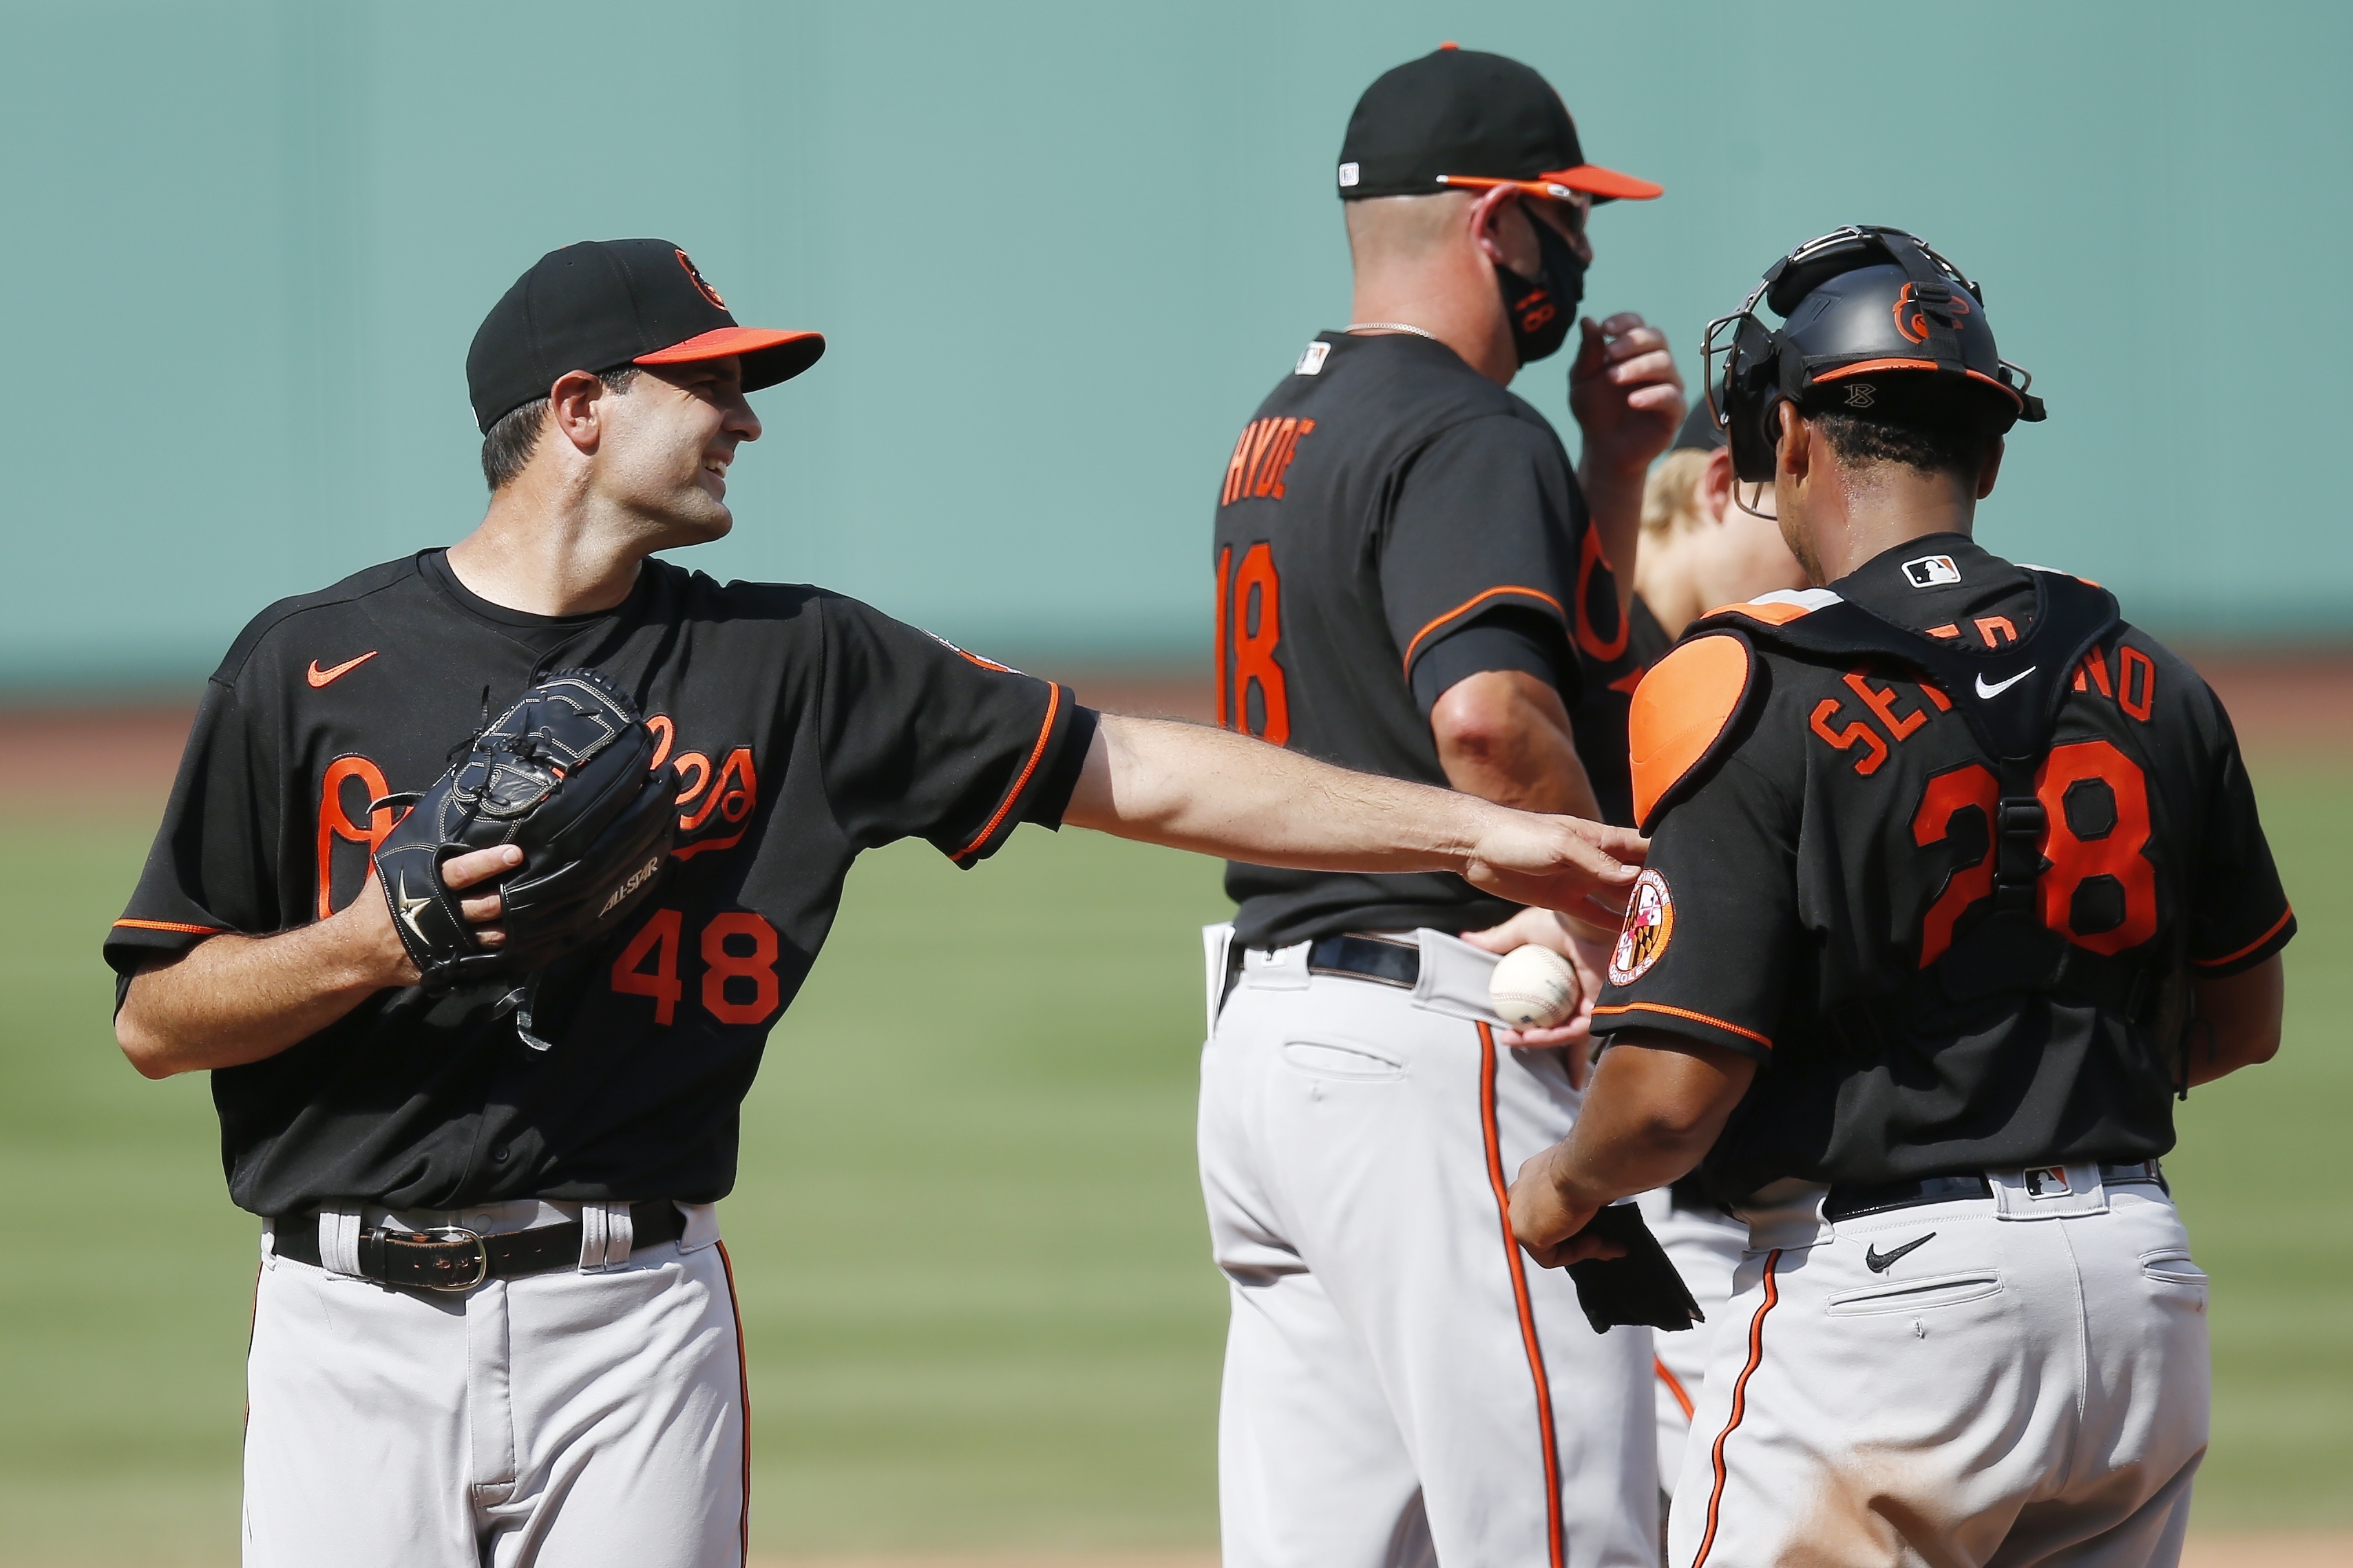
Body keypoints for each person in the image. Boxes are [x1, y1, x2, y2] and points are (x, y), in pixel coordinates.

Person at [103, 237, 1647, 1568]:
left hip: (629, 1319)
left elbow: (1139, 772)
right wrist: (377, 937)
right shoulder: (309, 666)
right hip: (344, 1327)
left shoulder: (795, 664)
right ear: (578, 410)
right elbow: (157, 1018)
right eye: (705, 384)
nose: (745, 420)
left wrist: (1477, 837)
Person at [1508, 225, 2292, 1567]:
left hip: (1885, 1312)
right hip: (2138, 1290)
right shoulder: (2149, 670)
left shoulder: (1739, 678)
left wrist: (1559, 1186)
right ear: (1987, 452)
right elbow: (2235, 1024)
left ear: (1790, 437)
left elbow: (1668, 1096)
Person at [1201, 45, 1682, 1568]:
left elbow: (1553, 651)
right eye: (1563, 217)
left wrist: (1613, 479)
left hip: (1271, 1051)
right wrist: (1600, 912)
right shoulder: (1470, 429)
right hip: (1435, 1040)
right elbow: (1486, 719)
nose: (1581, 254)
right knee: (1567, 1528)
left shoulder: (1280, 423)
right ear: (1493, 223)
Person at [1624, 401, 1808, 1505]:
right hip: (1639, 1209)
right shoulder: (1594, 664)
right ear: (1710, 490)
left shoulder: (1743, 669)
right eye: (1792, 522)